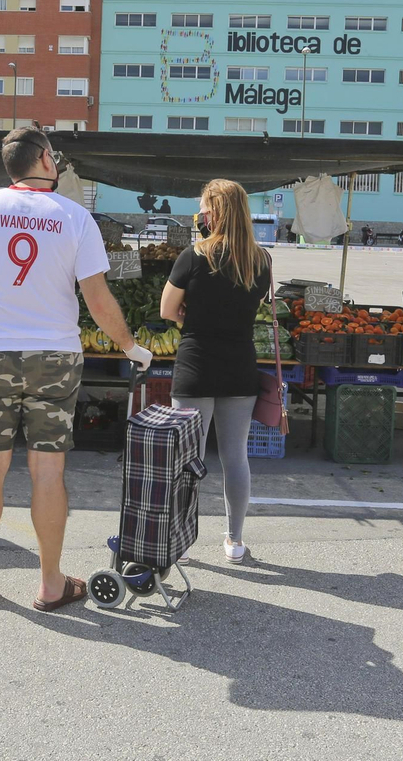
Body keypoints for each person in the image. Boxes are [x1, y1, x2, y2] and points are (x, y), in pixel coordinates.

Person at [0, 127, 152, 612]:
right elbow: (97, 298)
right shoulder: (75, 217)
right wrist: (129, 346)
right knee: (48, 470)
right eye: (54, 156)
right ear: (43, 159)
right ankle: (51, 583)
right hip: (55, 356)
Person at [159, 179, 274, 563]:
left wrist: (189, 318)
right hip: (240, 367)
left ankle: (178, 543)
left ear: (216, 212)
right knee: (235, 456)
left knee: (185, 459)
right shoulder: (262, 260)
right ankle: (235, 542)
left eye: (205, 207)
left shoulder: (194, 255)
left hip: (195, 364)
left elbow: (166, 310)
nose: (201, 214)